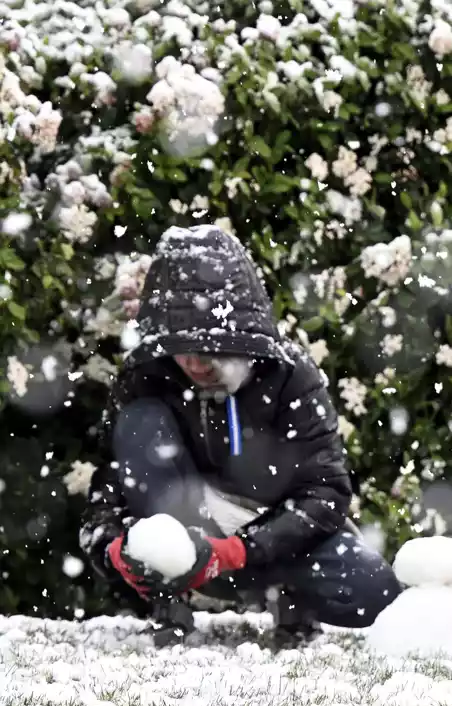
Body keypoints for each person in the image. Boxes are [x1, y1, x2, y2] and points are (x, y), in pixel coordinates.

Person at [79, 224, 402, 646]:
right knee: (140, 422)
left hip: (273, 536)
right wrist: (117, 552)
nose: (194, 363)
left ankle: (293, 602)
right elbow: (108, 493)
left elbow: (327, 495)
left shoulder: (291, 375)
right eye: (183, 348)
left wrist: (237, 550)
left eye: (210, 349)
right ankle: (170, 602)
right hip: (186, 530)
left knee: (371, 593)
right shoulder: (144, 378)